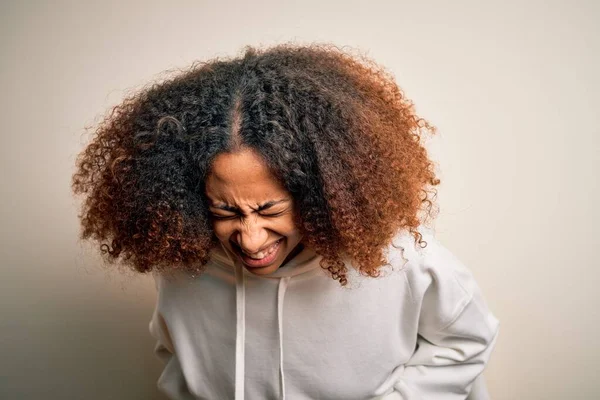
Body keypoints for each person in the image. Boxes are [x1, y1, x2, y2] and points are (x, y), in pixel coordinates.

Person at [72, 43, 500, 400]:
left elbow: (465, 341)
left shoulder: (401, 259)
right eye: (225, 211)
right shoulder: (183, 265)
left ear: (320, 194)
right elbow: (177, 358)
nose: (251, 239)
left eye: (270, 210)